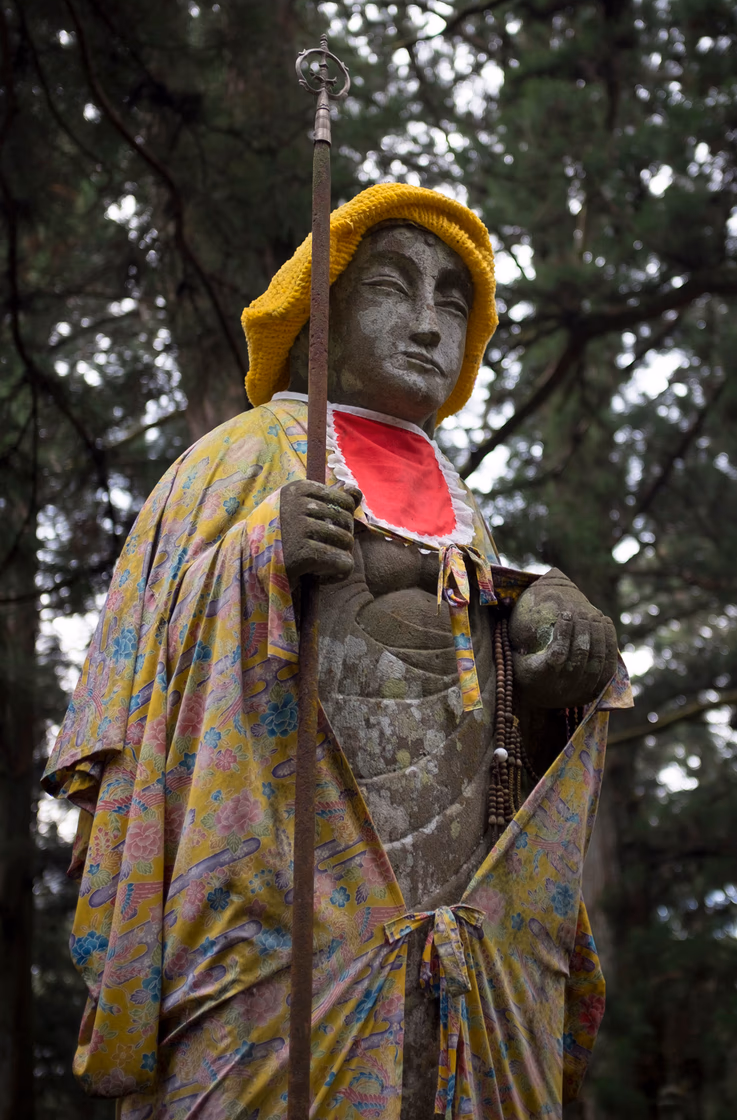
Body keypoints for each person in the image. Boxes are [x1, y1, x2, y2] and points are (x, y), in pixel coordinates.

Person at [44, 183, 632, 1119]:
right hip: (277, 921)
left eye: (453, 301)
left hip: (456, 944)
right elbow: (142, 673)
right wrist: (253, 560)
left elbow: (491, 703)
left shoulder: (463, 502)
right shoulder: (236, 459)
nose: (431, 323)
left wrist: (554, 632)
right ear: (318, 312)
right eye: (394, 287)